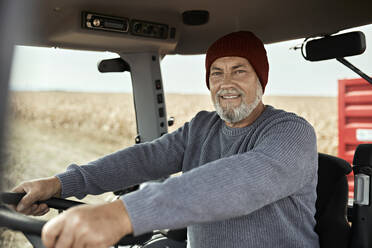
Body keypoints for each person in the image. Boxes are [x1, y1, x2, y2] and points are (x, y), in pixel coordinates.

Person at [11, 31, 319, 248]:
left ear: (260, 79)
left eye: (239, 71)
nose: (226, 84)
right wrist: (60, 183)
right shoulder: (202, 126)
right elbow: (144, 158)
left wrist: (120, 215)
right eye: (216, 73)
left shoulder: (291, 132)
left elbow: (240, 182)